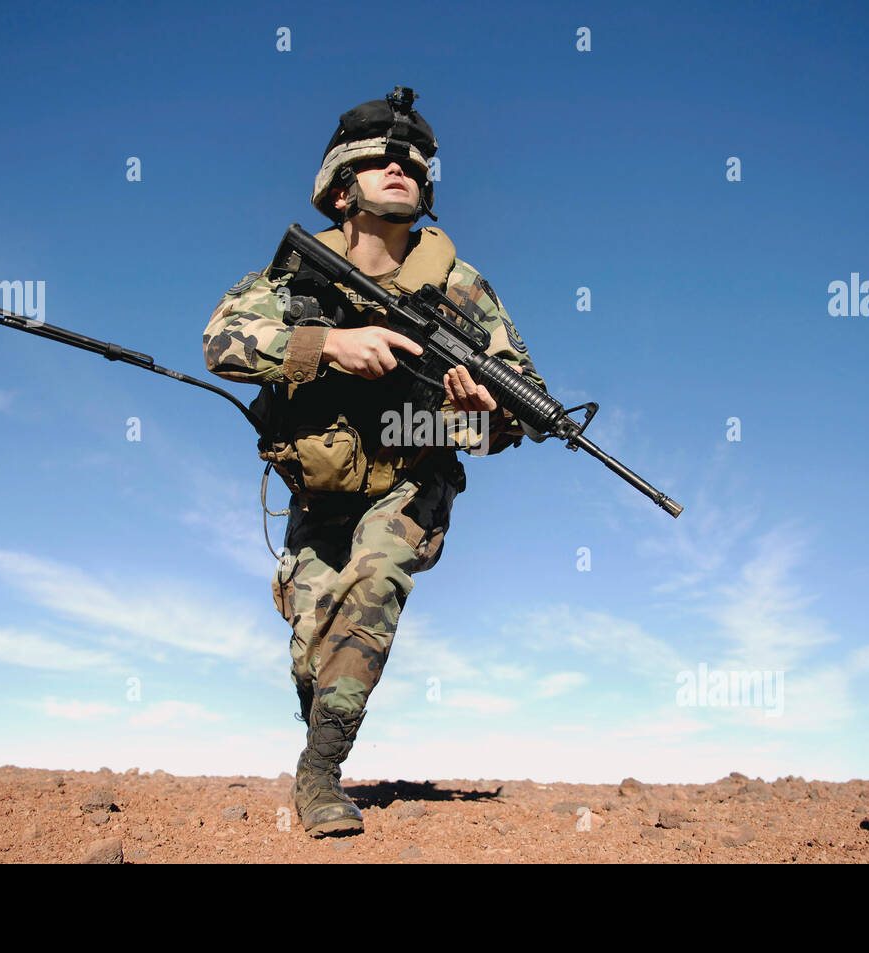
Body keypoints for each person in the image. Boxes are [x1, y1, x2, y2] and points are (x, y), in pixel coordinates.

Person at [202, 87, 548, 837]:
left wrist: (486, 413)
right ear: (340, 186)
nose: (399, 167)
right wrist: (328, 345)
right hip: (319, 490)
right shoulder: (298, 277)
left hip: (408, 477)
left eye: (413, 163)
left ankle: (319, 774)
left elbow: (523, 401)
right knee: (310, 647)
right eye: (379, 159)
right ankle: (322, 720)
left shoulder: (461, 286)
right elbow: (220, 342)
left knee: (375, 581)